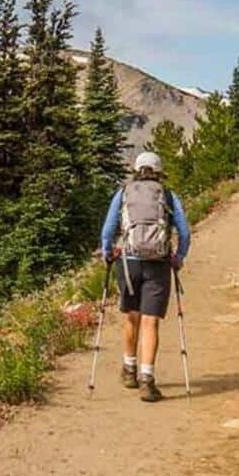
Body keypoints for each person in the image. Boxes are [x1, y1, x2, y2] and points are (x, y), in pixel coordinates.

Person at [97, 151, 192, 402]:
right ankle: (147, 380)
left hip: (129, 263)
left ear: (137, 169)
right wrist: (179, 256)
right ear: (159, 171)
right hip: (158, 264)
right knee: (151, 321)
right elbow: (184, 231)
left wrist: (108, 252)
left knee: (132, 316)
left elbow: (108, 229)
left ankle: (129, 370)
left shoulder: (124, 192)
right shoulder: (169, 195)